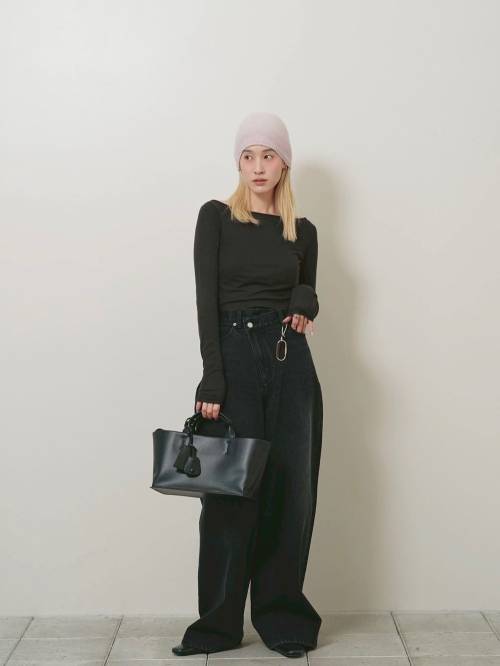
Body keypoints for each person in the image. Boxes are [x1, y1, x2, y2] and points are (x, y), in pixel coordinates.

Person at [172, 111, 323, 659]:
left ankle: (284, 620)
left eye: (268, 155)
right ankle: (217, 625)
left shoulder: (303, 231)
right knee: (230, 493)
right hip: (233, 357)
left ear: (284, 164)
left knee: (290, 492)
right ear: (238, 163)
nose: (258, 166)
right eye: (248, 156)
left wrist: (305, 299)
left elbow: (305, 294)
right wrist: (213, 375)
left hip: (290, 362)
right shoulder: (215, 217)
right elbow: (205, 300)